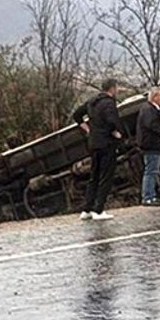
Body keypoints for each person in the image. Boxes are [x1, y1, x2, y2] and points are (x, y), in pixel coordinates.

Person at [71, 79, 125, 221]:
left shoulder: (91, 101)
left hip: (93, 143)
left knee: (94, 176)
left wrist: (89, 130)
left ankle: (87, 209)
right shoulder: (109, 102)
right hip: (107, 143)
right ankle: (98, 209)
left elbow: (77, 115)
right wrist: (116, 132)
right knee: (106, 176)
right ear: (112, 88)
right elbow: (112, 120)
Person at [137, 87, 160, 206]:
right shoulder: (149, 109)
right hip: (151, 144)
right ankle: (147, 197)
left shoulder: (150, 109)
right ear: (155, 97)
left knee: (153, 170)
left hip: (152, 144)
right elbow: (152, 125)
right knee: (150, 171)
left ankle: (151, 195)